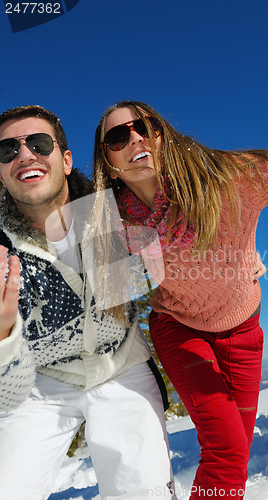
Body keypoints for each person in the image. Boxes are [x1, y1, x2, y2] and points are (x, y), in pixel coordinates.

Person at [92, 100, 268, 500]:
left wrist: (243, 251)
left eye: (145, 126)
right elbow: (98, 281)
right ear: (109, 159)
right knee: (227, 448)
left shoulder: (228, 182)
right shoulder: (111, 221)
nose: (135, 137)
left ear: (162, 134)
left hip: (244, 329)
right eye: (118, 136)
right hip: (179, 329)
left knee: (237, 444)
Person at [0, 105, 177, 500]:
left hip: (121, 366)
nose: (24, 155)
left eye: (39, 144)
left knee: (145, 494)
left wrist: (236, 251)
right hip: (41, 381)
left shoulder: (114, 209)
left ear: (65, 160)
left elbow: (186, 219)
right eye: (7, 151)